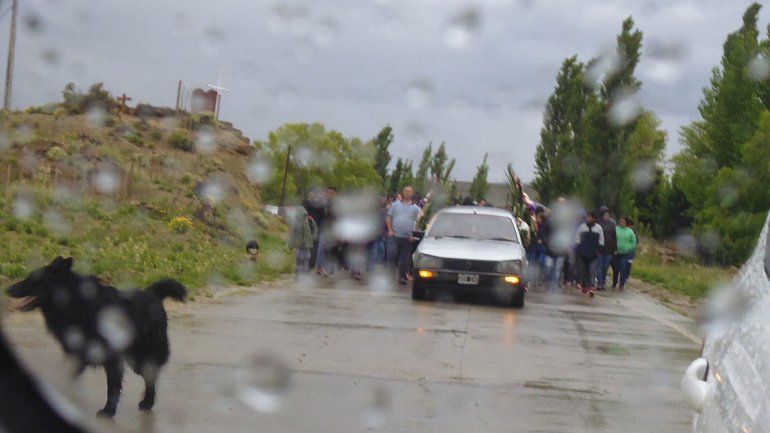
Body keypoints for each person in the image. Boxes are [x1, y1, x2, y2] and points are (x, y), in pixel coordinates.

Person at [386, 186, 420, 285]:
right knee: (391, 255)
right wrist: (390, 230)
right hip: (395, 235)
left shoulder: (415, 208)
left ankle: (402, 277)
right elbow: (389, 218)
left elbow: (418, 222)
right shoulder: (395, 205)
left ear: (412, 193)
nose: (408, 193)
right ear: (403, 192)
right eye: (406, 191)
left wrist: (414, 234)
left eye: (410, 191)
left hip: (407, 238)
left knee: (404, 259)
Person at [575, 210, 604, 297]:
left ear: (594, 218)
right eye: (587, 217)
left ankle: (591, 287)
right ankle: (584, 286)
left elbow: (601, 241)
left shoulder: (598, 228)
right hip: (583, 254)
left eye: (590, 217)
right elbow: (577, 239)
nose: (588, 219)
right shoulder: (582, 227)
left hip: (593, 254)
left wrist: (598, 251)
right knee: (583, 271)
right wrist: (578, 250)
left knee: (592, 271)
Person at [289, 206, 318, 277]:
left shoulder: (309, 220)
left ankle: (304, 274)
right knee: (299, 258)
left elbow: (315, 228)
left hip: (307, 243)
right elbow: (292, 232)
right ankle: (298, 273)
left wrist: (313, 237)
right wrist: (292, 242)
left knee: (306, 258)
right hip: (299, 243)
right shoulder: (295, 221)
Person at [302, 189, 326, 269]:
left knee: (314, 247)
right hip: (305, 227)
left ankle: (311, 265)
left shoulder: (320, 205)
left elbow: (322, 217)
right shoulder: (305, 202)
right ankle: (303, 263)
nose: (313, 195)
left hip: (317, 227)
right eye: (311, 193)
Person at [596, 206, 617, 291]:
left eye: (607, 214)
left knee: (605, 267)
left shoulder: (612, 223)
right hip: (599, 249)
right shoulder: (598, 223)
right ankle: (600, 283)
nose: (606, 216)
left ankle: (603, 280)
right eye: (605, 214)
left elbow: (614, 236)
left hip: (609, 249)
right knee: (599, 267)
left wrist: (615, 248)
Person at [615, 216, 638, 291]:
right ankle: (614, 281)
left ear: (626, 223)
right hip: (616, 252)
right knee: (615, 268)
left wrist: (629, 248)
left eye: (623, 222)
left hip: (625, 253)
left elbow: (634, 242)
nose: (621, 223)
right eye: (620, 221)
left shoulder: (630, 232)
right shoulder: (616, 229)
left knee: (623, 268)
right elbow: (612, 238)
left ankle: (622, 284)